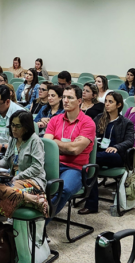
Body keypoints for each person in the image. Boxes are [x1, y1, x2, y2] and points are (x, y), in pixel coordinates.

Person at [45, 85, 96, 221]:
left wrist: (56, 141)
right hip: (53, 164)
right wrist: (69, 145)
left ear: (79, 101)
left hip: (75, 168)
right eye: (64, 97)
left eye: (70, 98)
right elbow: (47, 145)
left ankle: (42, 223)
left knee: (65, 188)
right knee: (31, 182)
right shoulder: (55, 120)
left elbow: (75, 150)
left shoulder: (88, 123)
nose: (65, 101)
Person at [78, 91, 135, 214]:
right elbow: (88, 132)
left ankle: (88, 199)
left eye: (111, 102)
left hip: (115, 156)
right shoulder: (99, 118)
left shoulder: (126, 122)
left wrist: (117, 147)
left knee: (89, 161)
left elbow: (130, 141)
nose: (107, 104)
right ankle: (91, 204)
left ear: (118, 105)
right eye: (106, 101)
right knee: (91, 164)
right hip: (98, 153)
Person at [0, 110, 49, 217]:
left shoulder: (35, 141)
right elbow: (6, 161)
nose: (14, 129)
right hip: (14, 180)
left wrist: (18, 177)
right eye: (12, 125)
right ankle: (32, 200)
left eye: (18, 126)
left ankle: (30, 197)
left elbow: (36, 167)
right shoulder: (13, 139)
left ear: (26, 127)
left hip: (33, 180)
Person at [0, 85, 25, 156]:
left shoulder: (20, 114)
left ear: (7, 102)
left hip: (13, 154)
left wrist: (3, 147)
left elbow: (24, 144)